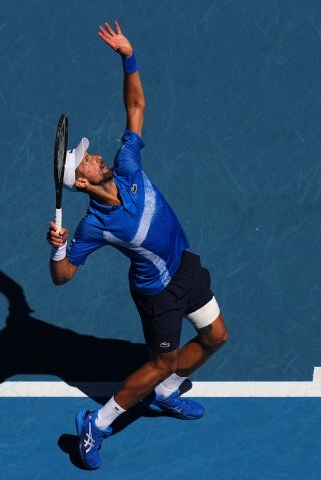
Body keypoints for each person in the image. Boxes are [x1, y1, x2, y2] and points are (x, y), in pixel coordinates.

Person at [46, 21, 228, 470]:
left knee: (215, 336)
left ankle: (165, 395)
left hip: (184, 267)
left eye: (90, 153)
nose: (95, 155)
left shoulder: (128, 164)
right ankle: (96, 423)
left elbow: (136, 105)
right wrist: (57, 247)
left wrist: (129, 57)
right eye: (87, 159)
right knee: (162, 361)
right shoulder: (94, 225)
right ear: (83, 181)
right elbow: (63, 276)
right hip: (157, 293)